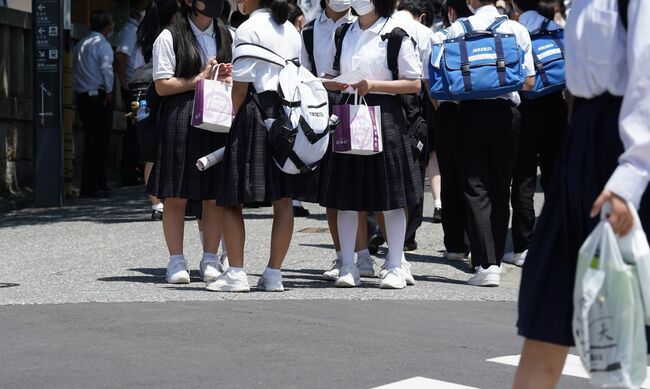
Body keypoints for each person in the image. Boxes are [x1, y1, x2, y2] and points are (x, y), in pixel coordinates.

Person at [513, 0, 650, 387]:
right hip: (582, 146)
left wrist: (631, 177)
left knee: (629, 309)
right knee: (546, 314)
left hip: (627, 149)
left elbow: (647, 81)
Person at [208, 0, 318, 293]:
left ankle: (236, 274)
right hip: (286, 116)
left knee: (233, 199)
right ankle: (274, 273)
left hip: (253, 113)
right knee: (283, 200)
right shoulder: (291, 31)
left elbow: (241, 88)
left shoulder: (247, 28)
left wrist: (230, 118)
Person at [319, 0, 423, 289]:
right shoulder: (343, 32)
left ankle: (394, 264)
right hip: (348, 109)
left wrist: (373, 85)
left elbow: (414, 83)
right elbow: (329, 75)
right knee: (346, 198)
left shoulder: (396, 33)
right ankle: (349, 265)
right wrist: (333, 83)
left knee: (390, 196)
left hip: (385, 113)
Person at [444, 0, 535, 286]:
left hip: (468, 114)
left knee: (475, 189)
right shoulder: (516, 29)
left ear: (470, 2)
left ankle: (486, 265)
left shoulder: (455, 29)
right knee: (500, 187)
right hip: (507, 116)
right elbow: (530, 82)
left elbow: (442, 81)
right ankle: (493, 257)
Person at [148, 0, 233, 284]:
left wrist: (226, 76)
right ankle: (176, 260)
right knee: (175, 194)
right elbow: (162, 84)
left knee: (212, 195)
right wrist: (198, 79)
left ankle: (210, 257)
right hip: (181, 114)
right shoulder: (169, 36)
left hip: (218, 114)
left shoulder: (227, 34)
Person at [299, 0, 376, 280]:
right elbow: (303, 75)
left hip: (356, 103)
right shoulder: (308, 31)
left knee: (359, 183)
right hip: (321, 106)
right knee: (332, 188)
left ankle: (363, 255)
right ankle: (343, 255)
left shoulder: (361, 25)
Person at [504, 0, 567, 267]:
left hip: (524, 108)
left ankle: (523, 247)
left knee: (523, 180)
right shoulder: (555, 28)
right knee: (556, 176)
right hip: (556, 106)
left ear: (514, 4)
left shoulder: (511, 30)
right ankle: (560, 240)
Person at [429, 0, 473, 263]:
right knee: (476, 178)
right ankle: (478, 239)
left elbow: (429, 80)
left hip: (447, 112)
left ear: (450, 12)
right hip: (479, 109)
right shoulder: (486, 33)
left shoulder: (440, 36)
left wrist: (441, 107)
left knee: (450, 179)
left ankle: (455, 245)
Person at [393, 0, 437, 251]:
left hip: (380, 98)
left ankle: (374, 227)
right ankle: (407, 235)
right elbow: (429, 79)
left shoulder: (379, 24)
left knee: (377, 163)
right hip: (415, 103)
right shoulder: (424, 33)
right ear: (421, 15)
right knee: (415, 167)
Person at [133, 0, 180, 220]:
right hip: (162, 87)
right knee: (167, 144)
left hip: (141, 90)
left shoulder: (142, 33)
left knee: (150, 148)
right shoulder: (171, 36)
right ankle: (173, 198)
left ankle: (156, 204)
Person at [72, 10, 115, 198]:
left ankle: (99, 182)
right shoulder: (102, 44)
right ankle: (91, 186)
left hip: (82, 96)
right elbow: (106, 68)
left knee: (91, 140)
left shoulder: (80, 44)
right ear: (108, 27)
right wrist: (110, 89)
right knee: (99, 142)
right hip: (98, 95)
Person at [116, 0, 151, 187]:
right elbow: (121, 58)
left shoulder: (137, 29)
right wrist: (124, 83)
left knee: (136, 129)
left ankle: (133, 168)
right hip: (133, 86)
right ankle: (128, 171)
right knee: (133, 130)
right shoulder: (130, 31)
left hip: (135, 85)